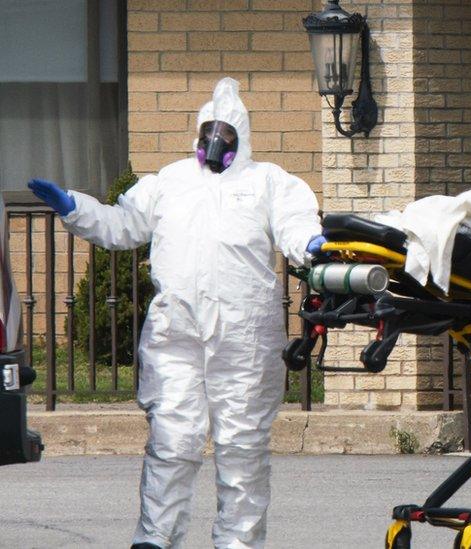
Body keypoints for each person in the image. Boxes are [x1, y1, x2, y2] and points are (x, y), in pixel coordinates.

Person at [28, 77, 325, 549]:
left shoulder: (268, 181)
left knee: (242, 447)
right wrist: (76, 208)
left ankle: (238, 542)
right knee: (172, 439)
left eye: (227, 132)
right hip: (177, 332)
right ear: (198, 131)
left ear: (240, 137)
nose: (216, 140)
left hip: (244, 333)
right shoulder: (169, 181)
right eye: (211, 129)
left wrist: (310, 245)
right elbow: (124, 225)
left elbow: (295, 223)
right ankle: (155, 538)